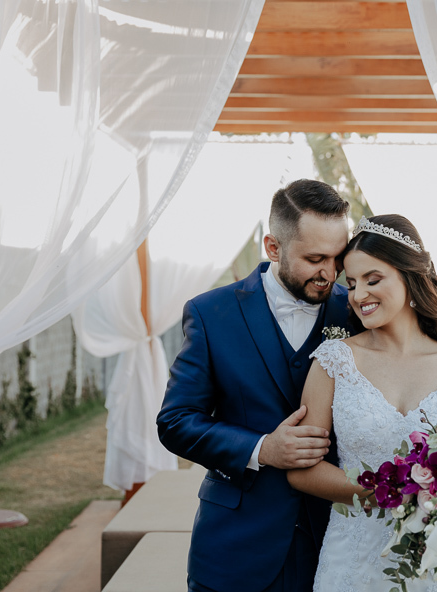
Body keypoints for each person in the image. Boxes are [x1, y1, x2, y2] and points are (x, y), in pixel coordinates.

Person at [157, 179, 354, 592]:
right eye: (315, 258)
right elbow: (176, 421)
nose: (330, 273)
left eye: (338, 257)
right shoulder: (211, 313)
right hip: (236, 545)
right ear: (273, 247)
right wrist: (261, 448)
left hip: (337, 545)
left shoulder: (355, 313)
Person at [286, 214, 437, 592]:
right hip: (353, 561)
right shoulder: (334, 361)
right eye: (350, 284)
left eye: (373, 279)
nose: (358, 295)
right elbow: (302, 471)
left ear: (409, 277)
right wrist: (384, 489)